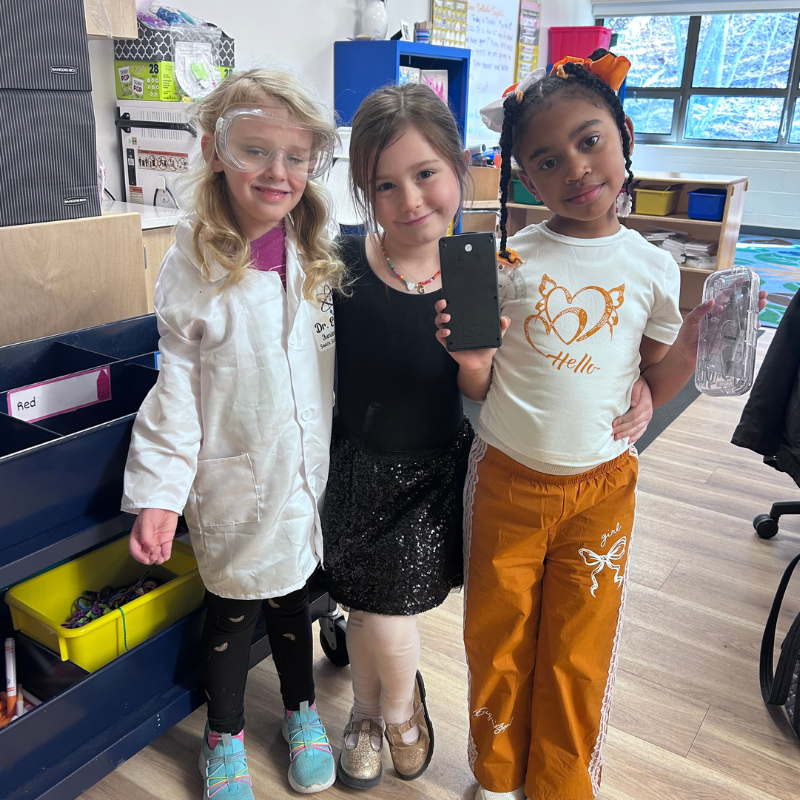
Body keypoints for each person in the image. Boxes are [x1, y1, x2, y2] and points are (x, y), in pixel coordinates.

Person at [434, 51, 768, 800]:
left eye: (591, 142)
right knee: (499, 639)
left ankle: (561, 784)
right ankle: (494, 777)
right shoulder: (507, 260)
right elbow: (480, 383)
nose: (577, 169)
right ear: (524, 175)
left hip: (602, 491)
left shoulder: (651, 265)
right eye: (548, 161)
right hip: (507, 482)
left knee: (579, 650)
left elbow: (658, 373)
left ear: (623, 137)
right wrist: (467, 356)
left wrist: (682, 355)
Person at [322, 82, 652, 791]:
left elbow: (536, 372)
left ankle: (396, 713)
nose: (411, 200)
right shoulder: (345, 269)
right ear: (364, 194)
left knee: (401, 616)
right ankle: (380, 714)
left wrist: (642, 384)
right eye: (385, 185)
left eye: (426, 174)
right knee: (392, 613)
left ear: (458, 167)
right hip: (364, 472)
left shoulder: (490, 265)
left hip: (448, 475)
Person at [121, 68, 345, 798]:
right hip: (234, 476)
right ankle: (223, 735)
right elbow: (175, 391)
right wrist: (159, 494)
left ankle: (301, 710)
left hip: (302, 471)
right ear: (217, 151)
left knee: (294, 599)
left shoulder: (315, 247)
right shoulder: (193, 261)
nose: (277, 173)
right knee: (234, 604)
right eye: (255, 151)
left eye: (295, 155)